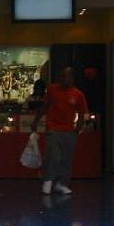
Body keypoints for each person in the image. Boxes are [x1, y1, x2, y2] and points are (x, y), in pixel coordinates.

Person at [31, 67, 89, 195]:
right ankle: (48, 180)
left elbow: (82, 113)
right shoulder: (52, 89)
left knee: (67, 159)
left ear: (72, 78)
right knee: (53, 155)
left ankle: (61, 184)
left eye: (66, 76)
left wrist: (77, 130)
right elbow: (44, 106)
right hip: (53, 128)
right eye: (61, 76)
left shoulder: (78, 95)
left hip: (69, 131)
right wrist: (36, 121)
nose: (63, 79)